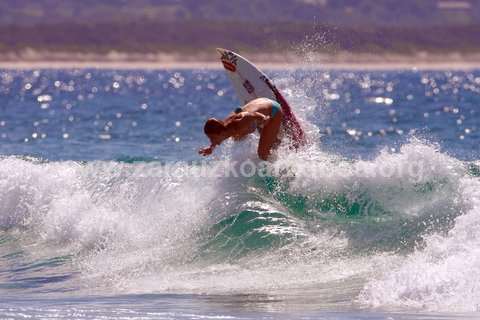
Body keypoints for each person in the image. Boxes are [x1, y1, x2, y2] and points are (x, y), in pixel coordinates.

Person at [199, 97, 282, 160]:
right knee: (238, 137)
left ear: (221, 132)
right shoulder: (225, 128)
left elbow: (252, 114)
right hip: (261, 102)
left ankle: (282, 168)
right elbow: (238, 109)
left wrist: (263, 118)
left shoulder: (239, 123)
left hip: (273, 111)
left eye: (212, 138)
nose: (211, 141)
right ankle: (278, 143)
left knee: (262, 154)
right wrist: (211, 148)